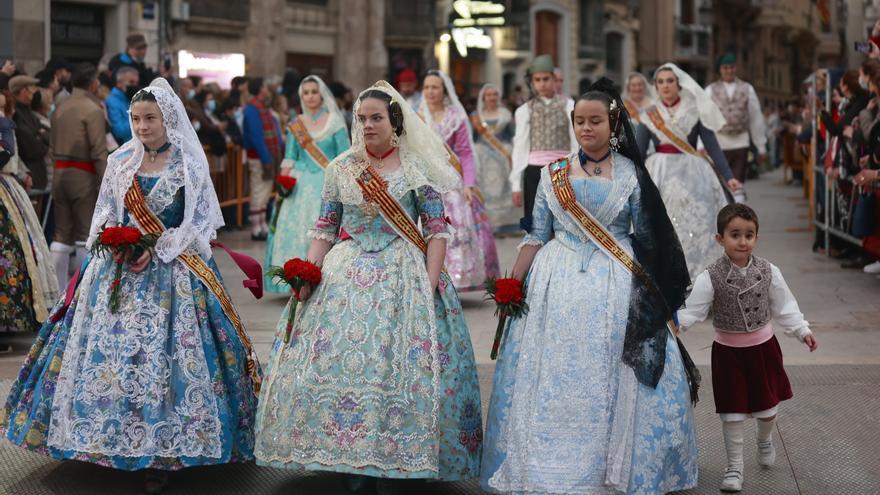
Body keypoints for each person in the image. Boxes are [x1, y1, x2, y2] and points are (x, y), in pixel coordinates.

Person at [0, 78, 261, 494]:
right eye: (136, 119)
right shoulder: (122, 160)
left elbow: (198, 223)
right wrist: (115, 242)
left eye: (150, 119)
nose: (142, 126)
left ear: (168, 119)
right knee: (114, 358)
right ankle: (101, 437)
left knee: (164, 361)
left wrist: (159, 246)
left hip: (173, 269)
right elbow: (104, 213)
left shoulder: (188, 164)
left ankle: (161, 451)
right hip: (119, 272)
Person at [254, 80, 482, 494]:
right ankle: (347, 455)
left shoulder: (416, 168)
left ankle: (396, 457)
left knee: (396, 369)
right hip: (346, 270)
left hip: (404, 272)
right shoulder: (341, 167)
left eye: (376, 117)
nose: (367, 125)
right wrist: (307, 272)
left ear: (394, 121)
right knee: (338, 363)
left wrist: (429, 286)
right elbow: (325, 227)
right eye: (361, 119)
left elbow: (435, 230)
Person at [481, 78, 699, 494]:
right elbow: (535, 235)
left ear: (613, 122)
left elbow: (651, 238)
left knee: (613, 371)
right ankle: (545, 463)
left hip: (617, 283)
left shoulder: (633, 174)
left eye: (595, 120)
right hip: (555, 282)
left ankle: (618, 465)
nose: (585, 128)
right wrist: (512, 284)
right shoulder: (553, 173)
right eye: (579, 121)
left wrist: (660, 299)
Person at [677, 203, 817, 492]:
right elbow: (694, 310)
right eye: (735, 234)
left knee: (767, 411)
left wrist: (802, 330)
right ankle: (734, 468)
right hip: (728, 354)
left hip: (763, 351)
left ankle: (764, 439)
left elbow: (785, 305)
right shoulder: (710, 276)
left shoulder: (769, 271)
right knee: (733, 413)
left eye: (749, 235)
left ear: (757, 237)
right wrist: (674, 325)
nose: (743, 241)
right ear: (720, 239)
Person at [636, 63, 741, 280]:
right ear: (655, 86)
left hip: (694, 173)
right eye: (660, 82)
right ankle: (667, 277)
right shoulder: (649, 114)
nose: (665, 86)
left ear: (679, 84)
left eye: (670, 81)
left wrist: (728, 176)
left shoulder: (695, 110)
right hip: (660, 174)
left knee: (696, 222)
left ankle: (698, 278)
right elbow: (638, 150)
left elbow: (712, 146)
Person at [263, 75, 350, 293]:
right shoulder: (296, 124)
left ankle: (324, 279)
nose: (310, 96)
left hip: (326, 183)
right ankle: (294, 281)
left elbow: (344, 156)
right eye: (306, 93)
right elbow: (290, 156)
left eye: (314, 91)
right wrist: (282, 187)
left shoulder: (335, 122)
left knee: (323, 230)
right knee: (295, 228)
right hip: (299, 186)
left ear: (322, 94)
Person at [419, 69, 500, 289]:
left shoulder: (455, 116)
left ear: (444, 89)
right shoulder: (417, 116)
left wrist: (469, 184)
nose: (430, 92)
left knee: (456, 225)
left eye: (435, 87)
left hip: (451, 181)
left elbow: (464, 152)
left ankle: (456, 279)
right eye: (426, 87)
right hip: (426, 181)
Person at [0, 90, 59, 335]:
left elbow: (10, 155)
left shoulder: (6, 125)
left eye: (3, 108)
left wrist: (22, 174)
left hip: (7, 189)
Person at [48, 63, 109, 291]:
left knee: (61, 234)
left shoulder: (60, 107)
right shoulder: (92, 109)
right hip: (83, 175)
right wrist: (107, 182)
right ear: (93, 84)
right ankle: (83, 291)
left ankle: (57, 291)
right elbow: (99, 151)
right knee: (86, 233)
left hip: (59, 173)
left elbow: (51, 146)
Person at [509, 54, 578, 230]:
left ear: (554, 79)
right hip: (534, 172)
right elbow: (520, 146)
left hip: (562, 169)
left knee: (564, 221)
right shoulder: (525, 110)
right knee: (536, 224)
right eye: (537, 79)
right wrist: (516, 185)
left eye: (546, 78)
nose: (542, 83)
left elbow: (575, 141)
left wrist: (578, 169)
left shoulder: (569, 105)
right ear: (532, 82)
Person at [705, 53, 768, 186]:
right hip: (719, 143)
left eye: (732, 67)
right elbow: (705, 118)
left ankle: (737, 206)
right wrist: (701, 144)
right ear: (720, 70)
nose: (729, 71)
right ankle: (724, 207)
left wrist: (761, 146)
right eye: (725, 68)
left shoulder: (747, 88)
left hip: (741, 142)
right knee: (720, 183)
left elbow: (755, 117)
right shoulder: (710, 90)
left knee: (738, 183)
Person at [472, 83, 518, 231]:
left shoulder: (506, 114)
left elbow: (513, 135)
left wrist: (508, 150)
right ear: (483, 98)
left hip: (502, 154)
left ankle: (502, 222)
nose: (492, 98)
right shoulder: (476, 116)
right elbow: (472, 139)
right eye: (488, 95)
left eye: (494, 95)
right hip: (482, 155)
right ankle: (484, 221)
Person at [243, 77, 284, 240]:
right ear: (260, 89)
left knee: (265, 190)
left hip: (268, 155)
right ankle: (256, 227)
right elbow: (256, 136)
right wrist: (266, 158)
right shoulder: (252, 109)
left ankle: (262, 224)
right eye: (265, 87)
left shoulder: (263, 108)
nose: (268, 90)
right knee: (258, 190)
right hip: (259, 156)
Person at [10, 75, 50, 190]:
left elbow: (49, 136)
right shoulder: (16, 115)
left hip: (38, 176)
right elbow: (30, 147)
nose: (34, 92)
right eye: (32, 88)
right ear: (23, 90)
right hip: (28, 178)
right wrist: (40, 137)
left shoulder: (30, 113)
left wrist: (40, 136)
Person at [105, 66, 139, 145]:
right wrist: (137, 118)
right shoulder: (112, 101)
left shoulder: (129, 98)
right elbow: (119, 132)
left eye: (136, 83)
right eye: (131, 82)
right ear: (119, 83)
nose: (135, 86)